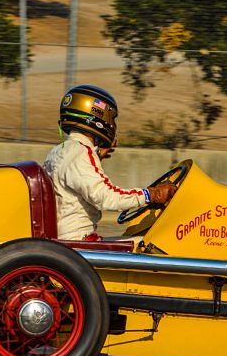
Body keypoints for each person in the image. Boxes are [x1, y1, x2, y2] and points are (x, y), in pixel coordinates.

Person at [43, 84, 177, 241]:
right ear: (99, 118)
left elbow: (74, 179)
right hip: (79, 242)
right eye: (112, 119)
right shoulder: (82, 153)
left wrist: (97, 154)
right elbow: (106, 197)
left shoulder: (58, 151)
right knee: (154, 243)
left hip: (64, 240)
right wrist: (151, 194)